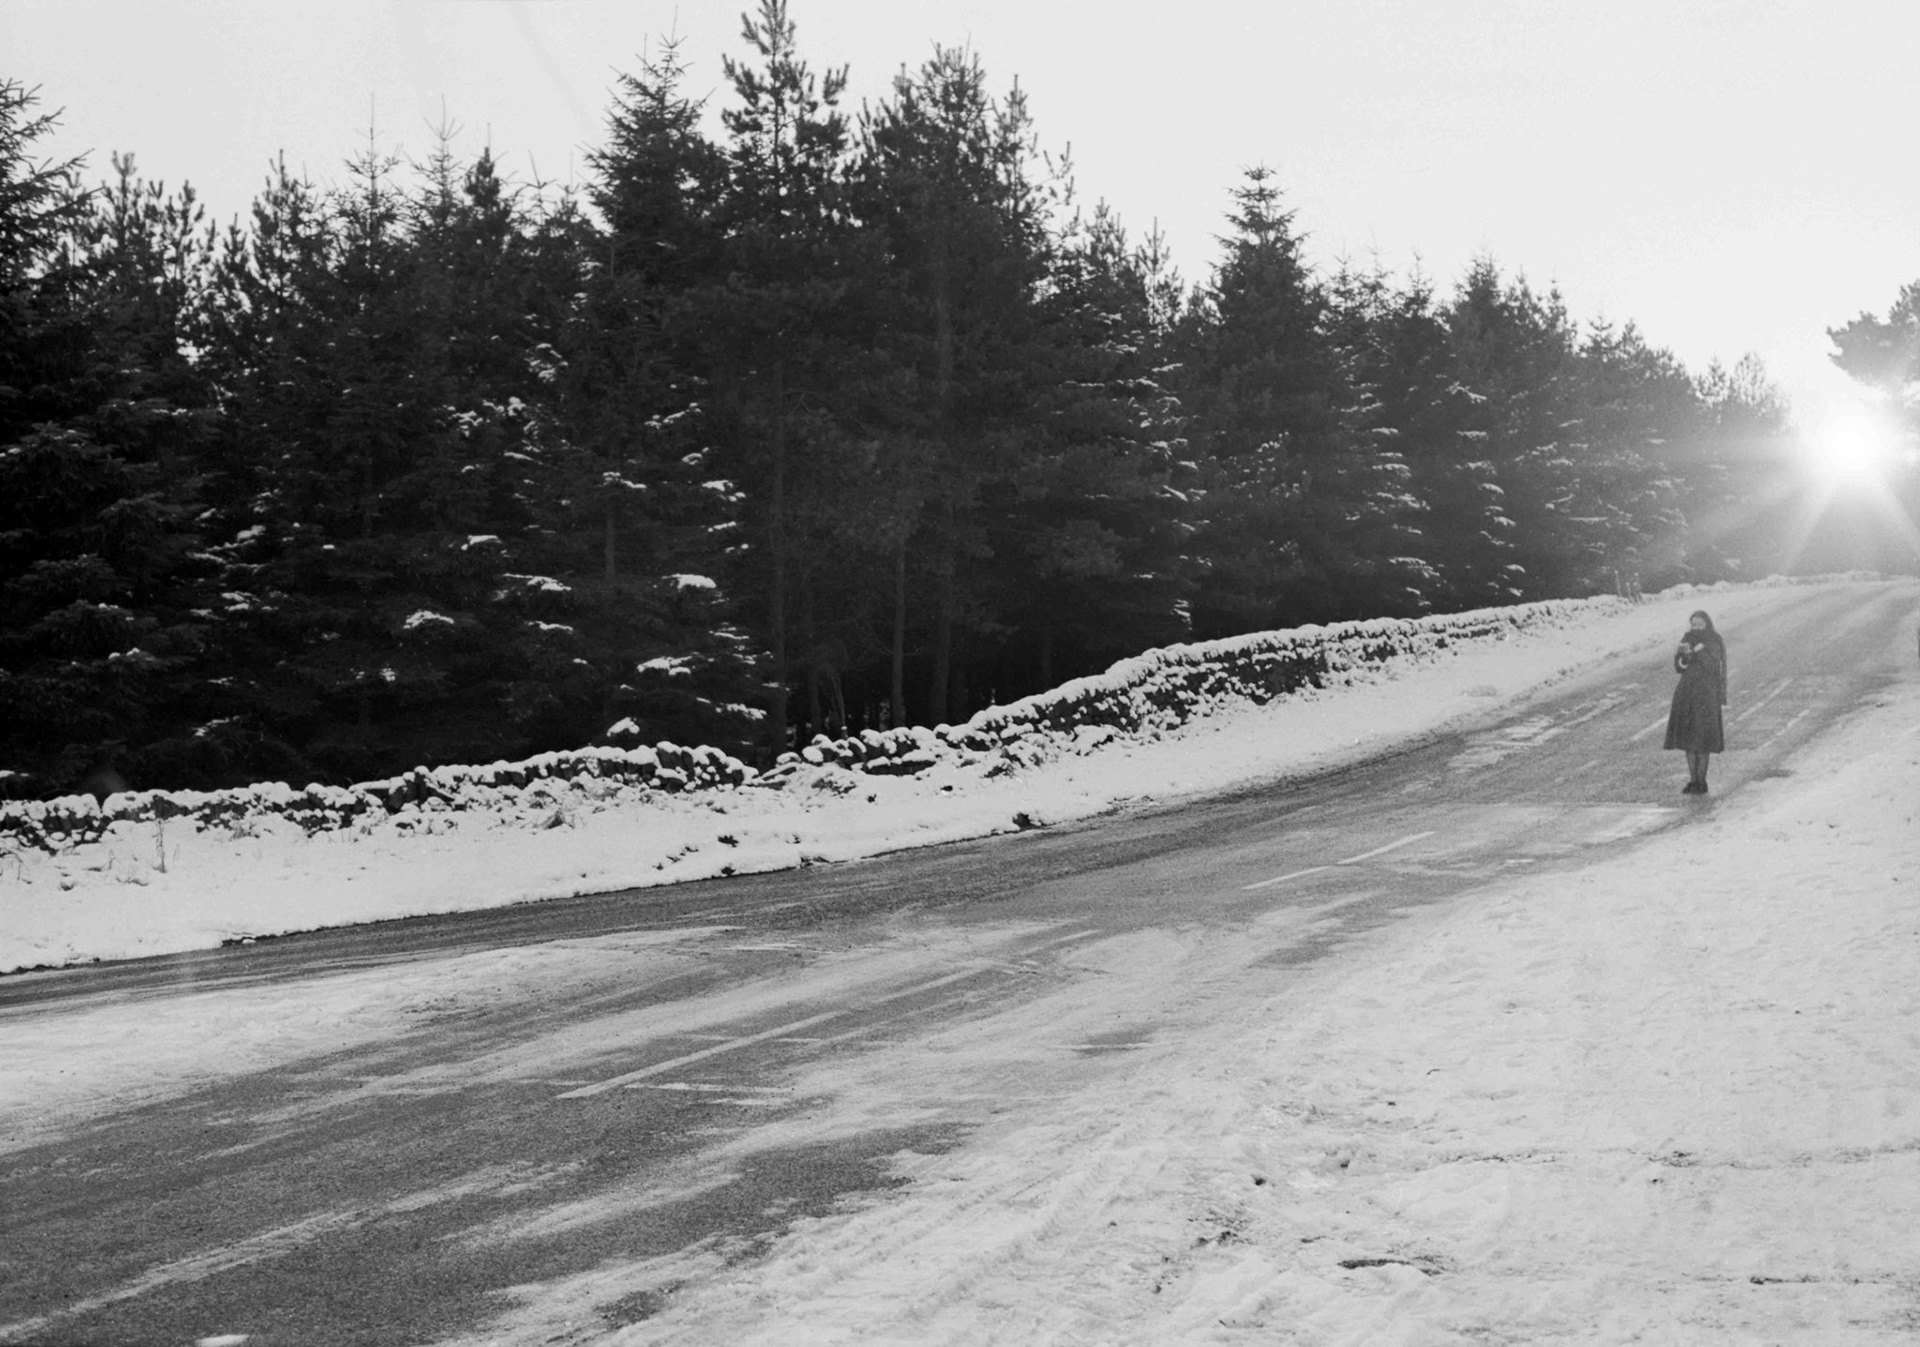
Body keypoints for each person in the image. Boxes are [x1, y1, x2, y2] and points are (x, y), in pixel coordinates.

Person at [1663, 609, 1726, 794]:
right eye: (1694, 624)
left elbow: (1713, 665)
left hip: (1706, 694)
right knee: (1689, 738)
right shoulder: (1686, 638)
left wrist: (1698, 651)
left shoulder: (1714, 640)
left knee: (1703, 739)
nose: (1696, 627)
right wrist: (1684, 658)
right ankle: (1692, 780)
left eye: (1700, 624)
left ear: (1707, 624)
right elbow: (1679, 666)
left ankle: (1702, 781)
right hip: (1687, 693)